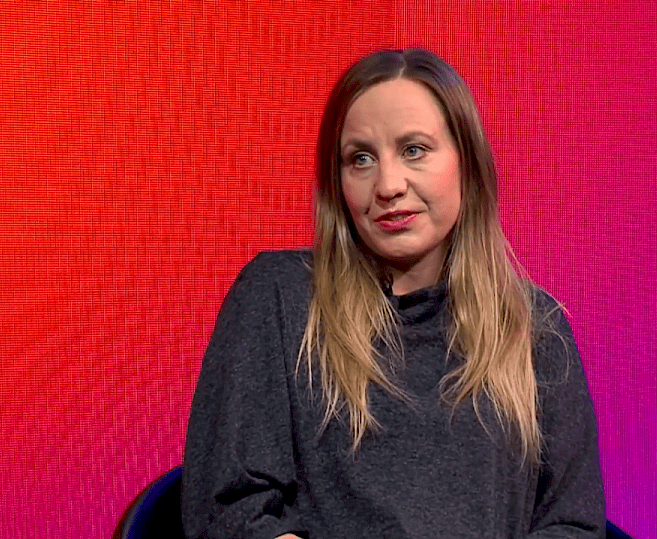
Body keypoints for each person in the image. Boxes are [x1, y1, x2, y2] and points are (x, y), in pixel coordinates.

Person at [182, 49, 605, 539]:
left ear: (466, 162)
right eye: (360, 159)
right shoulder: (278, 298)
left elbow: (572, 525)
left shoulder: (534, 327)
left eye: (414, 150)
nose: (387, 185)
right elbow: (230, 512)